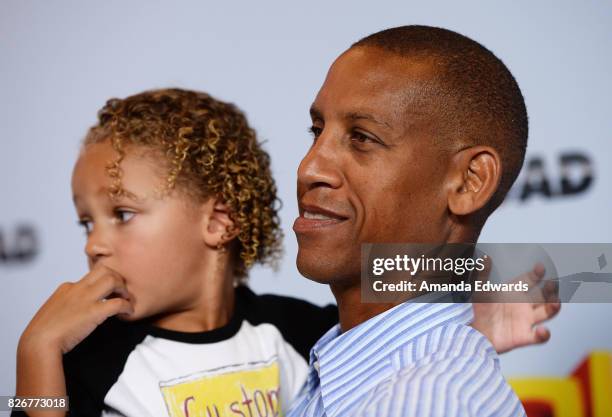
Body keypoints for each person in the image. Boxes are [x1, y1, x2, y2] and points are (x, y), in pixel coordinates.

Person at [14, 86, 556, 416]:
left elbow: (388, 345)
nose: (93, 245)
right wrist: (37, 353)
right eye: (86, 222)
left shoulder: (298, 333)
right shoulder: (90, 363)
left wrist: (473, 320)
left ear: (218, 220)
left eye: (122, 215)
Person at [288, 25, 559, 417]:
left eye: (362, 138)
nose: (309, 167)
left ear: (470, 182)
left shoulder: (422, 401)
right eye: (316, 131)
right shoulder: (355, 374)